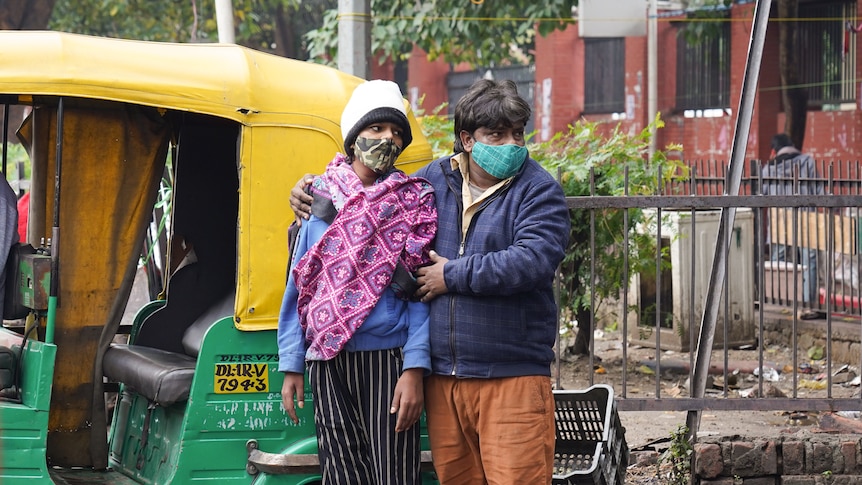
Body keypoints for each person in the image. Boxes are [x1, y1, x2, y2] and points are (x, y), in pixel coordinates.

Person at [291, 78, 571, 484]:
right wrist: (309, 194)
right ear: (467, 139)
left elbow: (532, 261)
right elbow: (366, 205)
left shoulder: (537, 190)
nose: (511, 144)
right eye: (496, 134)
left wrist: (450, 275)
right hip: (444, 382)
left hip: (510, 376)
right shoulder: (432, 183)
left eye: (517, 134)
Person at [278, 79, 437, 485]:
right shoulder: (319, 198)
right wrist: (293, 363)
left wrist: (415, 366)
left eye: (396, 132)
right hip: (327, 360)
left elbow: (418, 288)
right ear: (353, 139)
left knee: (394, 475)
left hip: (388, 358)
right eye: (377, 129)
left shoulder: (413, 200)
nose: (388, 139)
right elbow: (301, 286)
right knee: (342, 473)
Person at [763, 133, 824, 320]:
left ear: (774, 151)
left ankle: (777, 301)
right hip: (806, 218)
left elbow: (762, 197)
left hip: (780, 220)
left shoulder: (768, 169)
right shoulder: (807, 162)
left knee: (778, 261)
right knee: (809, 262)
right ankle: (807, 305)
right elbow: (820, 191)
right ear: (793, 145)